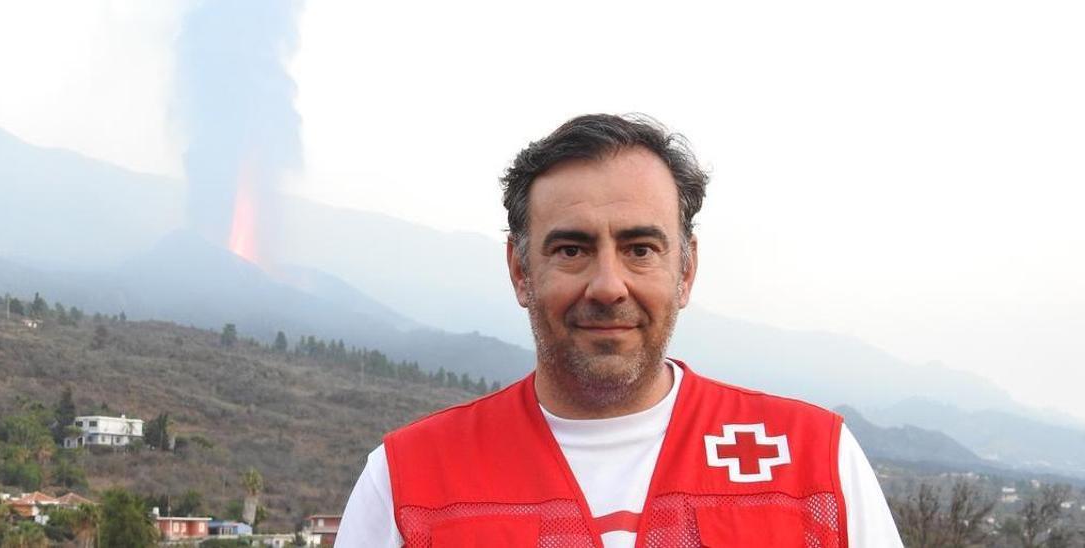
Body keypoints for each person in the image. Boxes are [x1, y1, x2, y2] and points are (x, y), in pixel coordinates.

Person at [336, 114, 902, 547]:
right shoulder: (409, 482)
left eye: (639, 249)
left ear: (686, 270)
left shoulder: (814, 464)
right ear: (520, 271)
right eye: (572, 249)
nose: (608, 285)